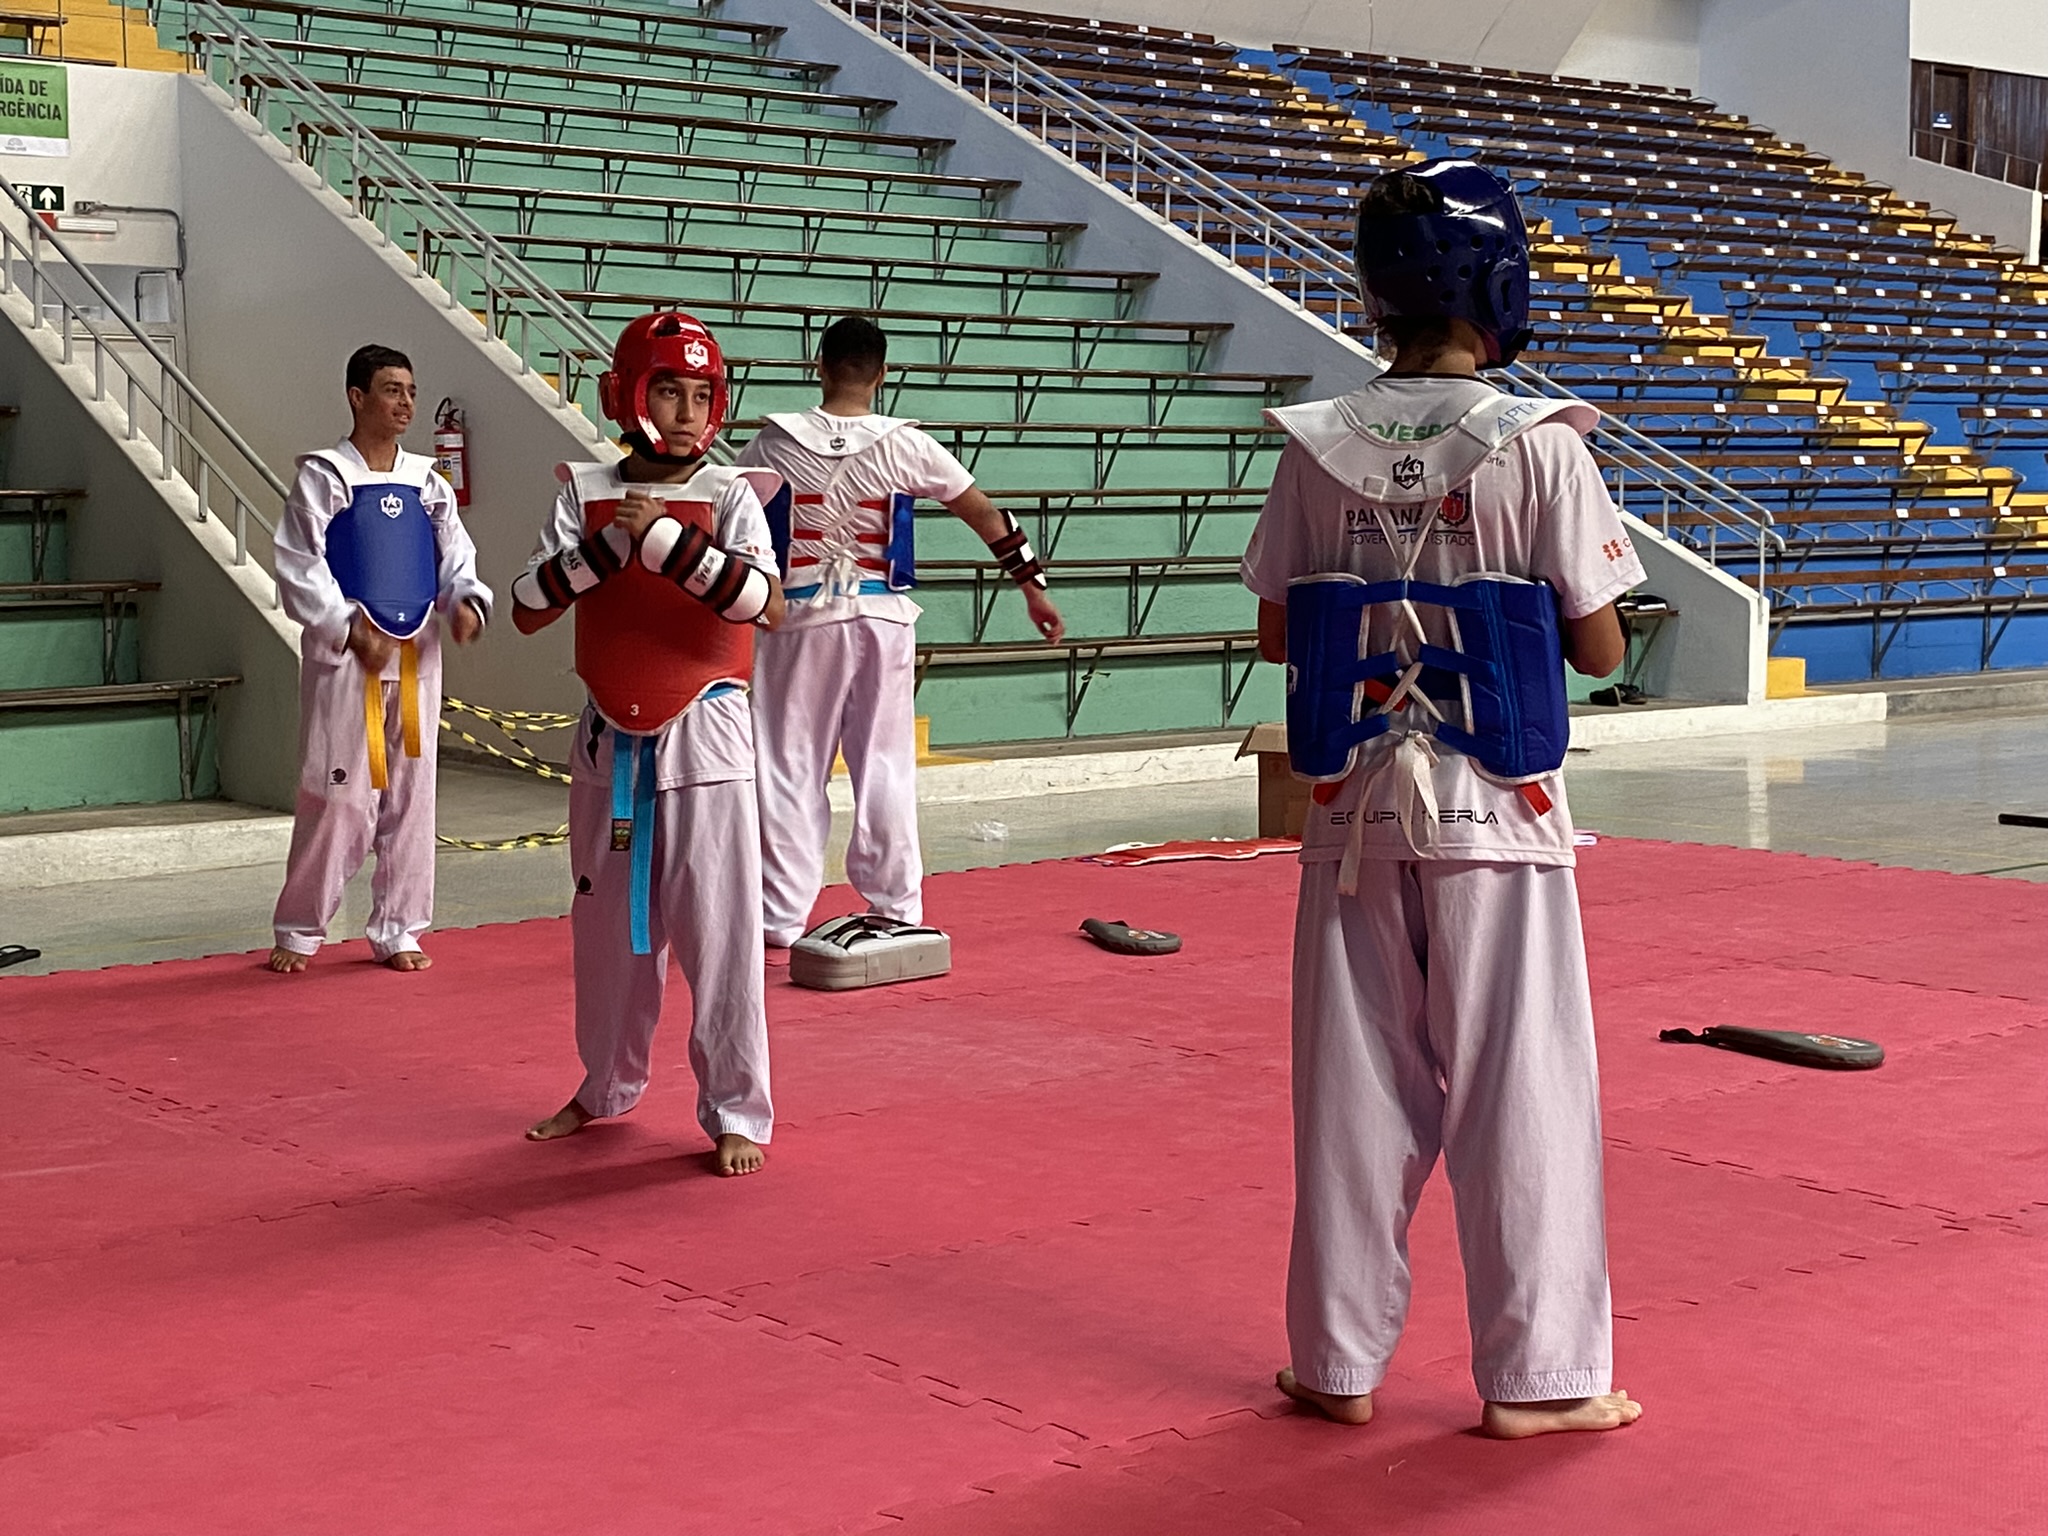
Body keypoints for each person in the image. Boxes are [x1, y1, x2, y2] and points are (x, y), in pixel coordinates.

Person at [1239, 160, 1648, 1439]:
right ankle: (1540, 1382)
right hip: (1500, 816)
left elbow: (1273, 632)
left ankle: (1333, 1363)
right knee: (1518, 1088)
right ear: (1498, 285)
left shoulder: (1316, 447)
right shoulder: (1539, 450)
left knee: (1352, 1097)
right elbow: (1598, 654)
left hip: (1350, 808)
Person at [513, 312, 783, 1178]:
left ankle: (738, 1108)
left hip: (705, 731)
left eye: (701, 393)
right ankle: (606, 1085)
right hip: (605, 733)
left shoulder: (736, 492)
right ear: (627, 395)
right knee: (601, 930)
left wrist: (667, 543)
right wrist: (607, 548)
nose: (685, 410)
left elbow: (765, 606)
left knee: (721, 928)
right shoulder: (581, 491)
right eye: (669, 388)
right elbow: (526, 604)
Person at [737, 315, 1065, 948]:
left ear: (820, 365)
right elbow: (985, 512)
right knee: (884, 761)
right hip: (882, 618)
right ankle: (898, 904)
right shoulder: (907, 444)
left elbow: (732, 513)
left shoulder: (774, 443)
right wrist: (1032, 589)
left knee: (786, 763)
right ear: (882, 374)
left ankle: (777, 914)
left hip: (800, 619)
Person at [268, 344, 490, 974]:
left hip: (416, 654)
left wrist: (466, 601)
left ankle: (400, 927)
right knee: (338, 794)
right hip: (351, 657)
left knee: (412, 794)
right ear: (357, 397)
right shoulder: (324, 474)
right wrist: (344, 623)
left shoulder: (427, 481)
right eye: (391, 389)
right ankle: (301, 927)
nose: (405, 402)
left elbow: (456, 558)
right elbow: (298, 562)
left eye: (412, 391)